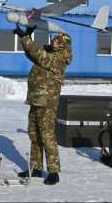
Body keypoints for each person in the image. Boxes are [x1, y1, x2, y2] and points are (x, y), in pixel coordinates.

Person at [13, 25, 73, 185]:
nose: (52, 41)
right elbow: (33, 55)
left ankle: (54, 172)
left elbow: (39, 55)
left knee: (47, 137)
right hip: (37, 100)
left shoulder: (58, 58)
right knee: (34, 135)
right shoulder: (51, 55)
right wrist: (26, 39)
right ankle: (36, 168)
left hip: (46, 103)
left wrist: (26, 39)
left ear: (61, 45)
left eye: (55, 40)